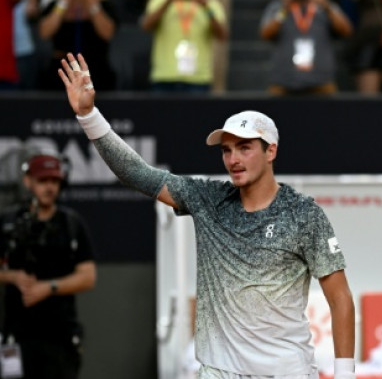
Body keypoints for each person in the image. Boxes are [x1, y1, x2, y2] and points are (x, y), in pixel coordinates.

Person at [57, 54, 356, 379]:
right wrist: (88, 115)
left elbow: (339, 298)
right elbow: (136, 174)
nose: (233, 159)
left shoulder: (304, 214)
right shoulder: (208, 199)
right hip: (218, 371)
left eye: (245, 148)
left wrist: (345, 374)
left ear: (271, 151)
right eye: (226, 150)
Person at [0, 153, 96, 379]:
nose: (49, 188)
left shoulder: (71, 224)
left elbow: (88, 276)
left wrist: (48, 287)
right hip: (17, 333)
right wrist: (13, 277)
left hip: (59, 336)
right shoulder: (8, 221)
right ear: (28, 182)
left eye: (54, 182)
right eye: (42, 181)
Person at [260, 0, 353, 95]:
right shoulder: (278, 7)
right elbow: (265, 34)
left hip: (322, 81)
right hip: (283, 81)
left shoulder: (326, 7)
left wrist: (326, 6)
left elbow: (346, 31)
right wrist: (284, 10)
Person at [143, 0, 228, 93]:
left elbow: (222, 35)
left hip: (198, 79)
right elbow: (146, 26)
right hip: (164, 77)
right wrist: (168, 0)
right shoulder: (159, 0)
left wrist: (206, 7)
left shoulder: (211, 4)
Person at [38, 0, 117, 91]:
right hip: (61, 74)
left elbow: (108, 33)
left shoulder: (103, 5)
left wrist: (90, 2)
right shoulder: (55, 4)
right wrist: (63, 2)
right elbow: (44, 32)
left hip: (95, 73)